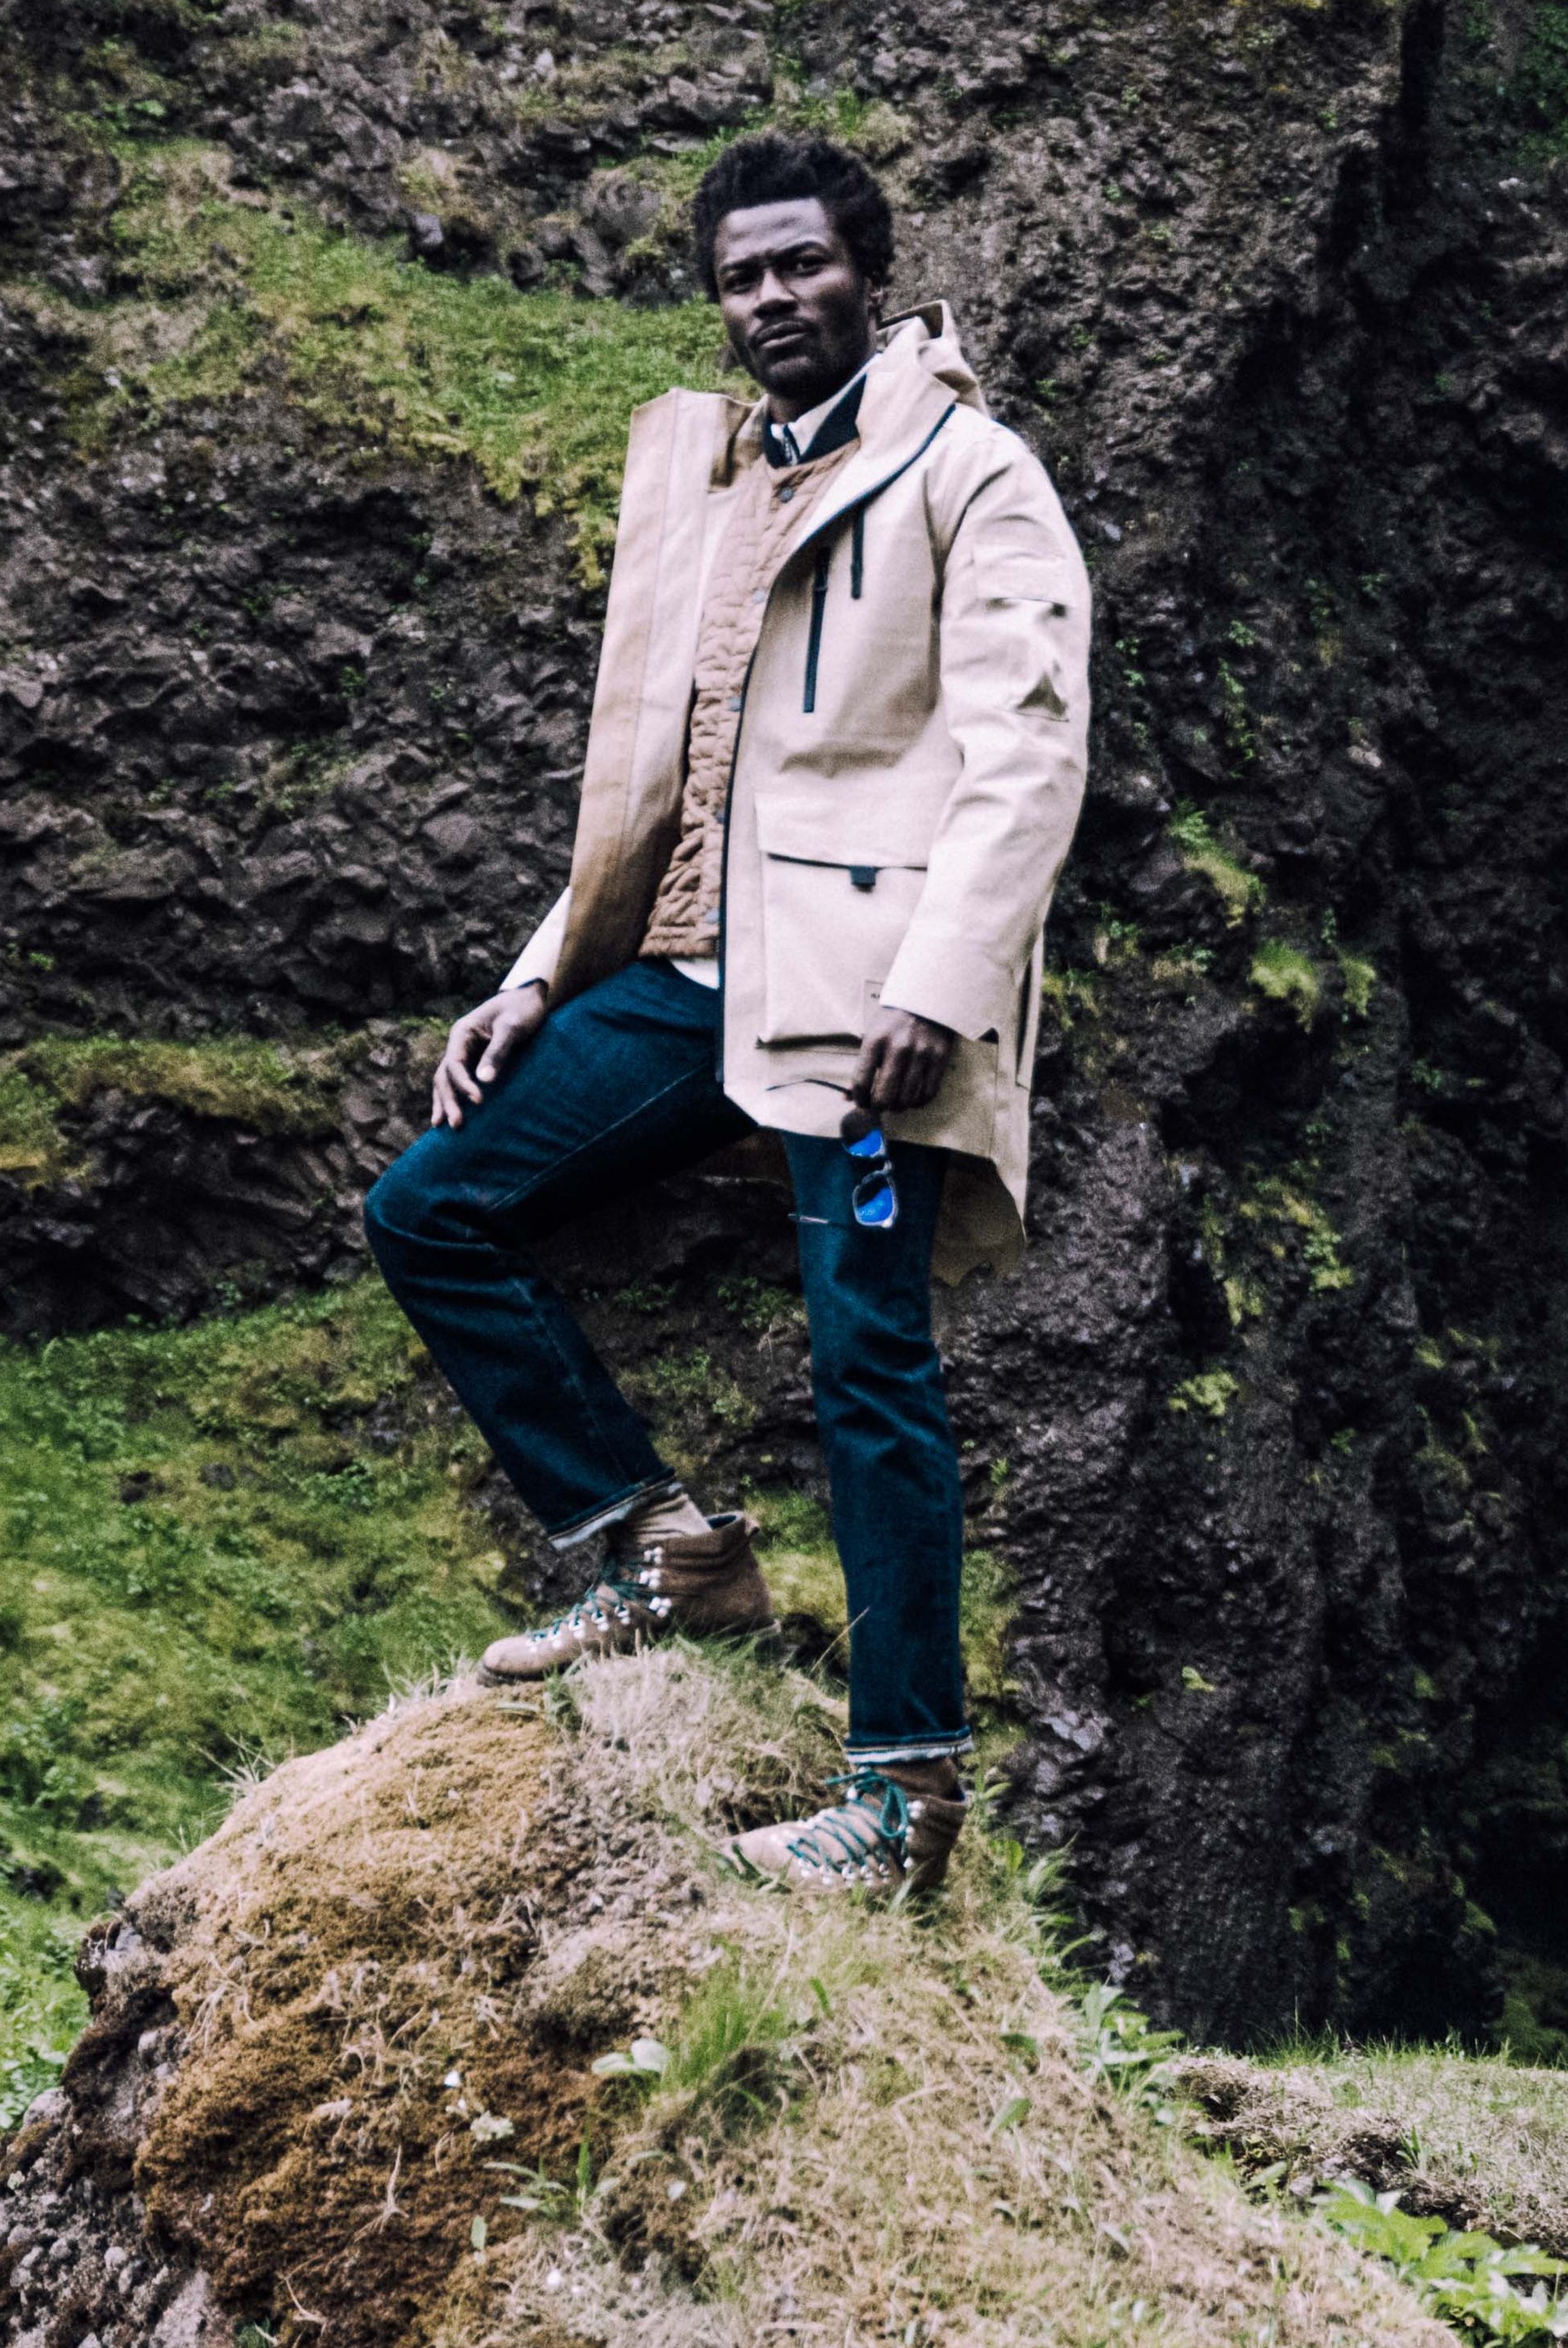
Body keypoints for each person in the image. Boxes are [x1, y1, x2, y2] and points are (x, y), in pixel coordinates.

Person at [357, 132, 1090, 1904]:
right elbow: (667, 779)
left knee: (873, 1371)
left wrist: (941, 986)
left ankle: (904, 1797)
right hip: (694, 971)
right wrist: (542, 970)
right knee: (432, 1204)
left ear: (868, 268)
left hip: (868, 999)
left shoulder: (968, 470)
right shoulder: (718, 488)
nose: (771, 299)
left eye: (802, 266)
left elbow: (1029, 746)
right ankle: (656, 1547)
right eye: (742, 276)